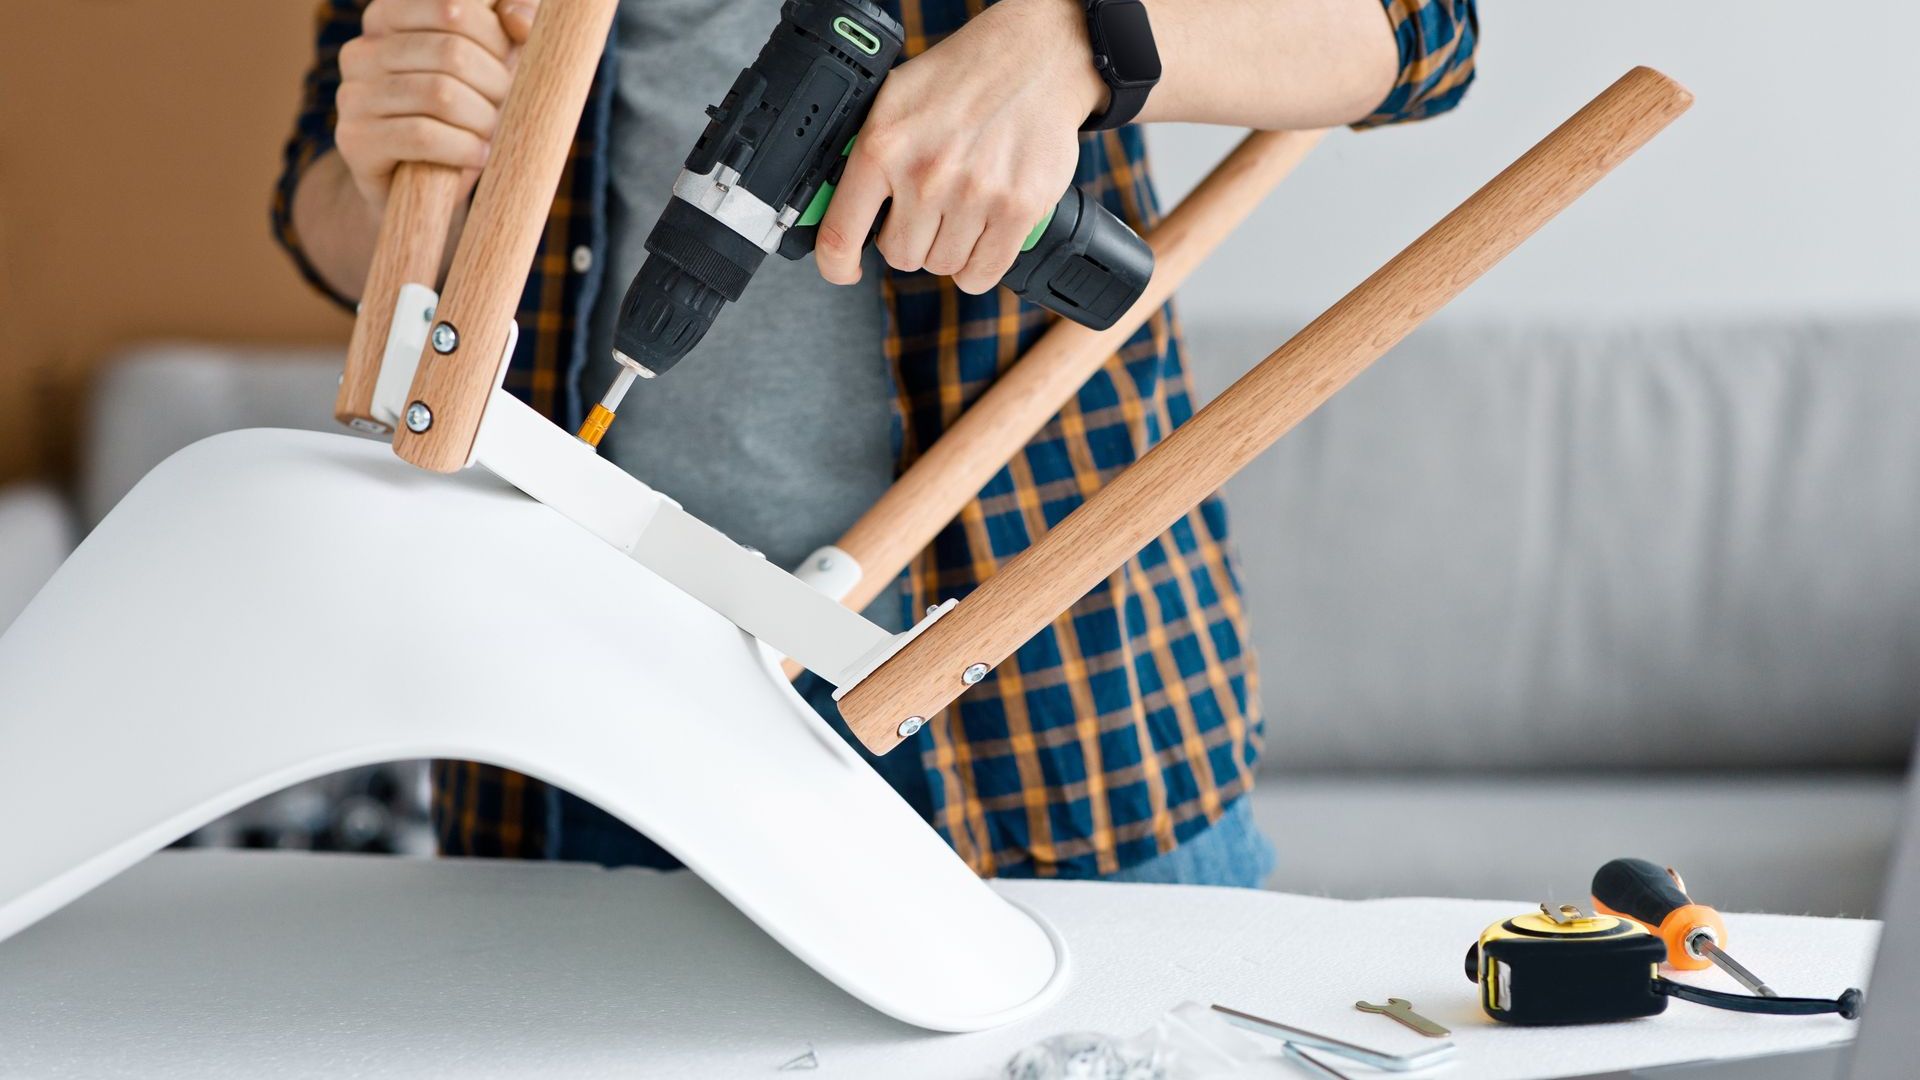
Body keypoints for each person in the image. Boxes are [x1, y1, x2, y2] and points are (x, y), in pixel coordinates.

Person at [274, 0, 1477, 885]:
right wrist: (391, 174)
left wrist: (1080, 35)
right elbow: (321, 216)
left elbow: (1424, 31)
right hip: (581, 739)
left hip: (1057, 725)